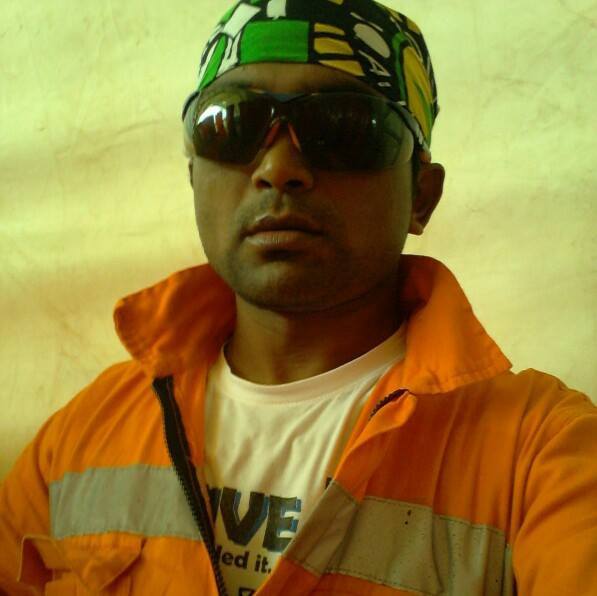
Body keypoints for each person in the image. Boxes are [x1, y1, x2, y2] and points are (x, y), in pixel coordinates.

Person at [1, 0, 595, 594]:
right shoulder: (81, 436)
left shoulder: (542, 454)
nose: (279, 167)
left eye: (344, 127)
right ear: (193, 177)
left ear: (422, 196)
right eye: (231, 123)